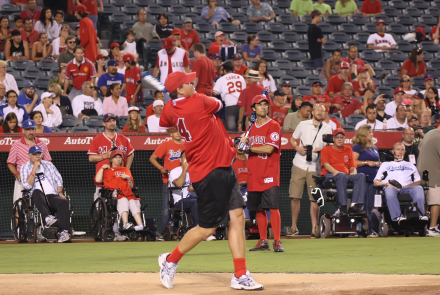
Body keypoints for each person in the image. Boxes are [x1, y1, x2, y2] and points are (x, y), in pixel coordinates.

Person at [157, 71, 263, 290]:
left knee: (237, 218)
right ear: (179, 89)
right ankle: (170, 260)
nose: (194, 82)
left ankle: (240, 274)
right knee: (208, 229)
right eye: (188, 82)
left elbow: (167, 123)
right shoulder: (199, 101)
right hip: (209, 171)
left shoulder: (169, 108)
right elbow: (219, 103)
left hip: (223, 166)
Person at [238, 94, 283, 252]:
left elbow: (269, 148)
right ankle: (263, 241)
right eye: (260, 104)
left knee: (272, 207)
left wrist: (248, 148)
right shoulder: (249, 129)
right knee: (258, 209)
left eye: (265, 104)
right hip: (253, 174)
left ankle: (277, 241)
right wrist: (240, 147)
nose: (264, 107)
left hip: (269, 173)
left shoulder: (274, 126)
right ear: (254, 108)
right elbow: (240, 155)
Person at [87, 113, 135, 241]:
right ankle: (102, 232)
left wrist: (127, 170)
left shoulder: (123, 139)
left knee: (118, 206)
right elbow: (91, 157)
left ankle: (116, 231)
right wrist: (105, 157)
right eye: (109, 121)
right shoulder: (97, 139)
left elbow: (130, 154)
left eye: (113, 120)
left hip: (119, 182)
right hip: (102, 181)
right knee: (100, 209)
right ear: (104, 124)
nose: (112, 123)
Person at [288, 104, 332, 237]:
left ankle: (314, 228)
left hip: (315, 167)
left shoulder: (328, 128)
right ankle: (293, 227)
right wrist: (297, 148)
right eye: (318, 110)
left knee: (314, 199)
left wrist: (323, 150)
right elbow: (292, 139)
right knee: (295, 197)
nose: (320, 112)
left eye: (323, 111)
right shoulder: (303, 124)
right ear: (312, 112)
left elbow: (330, 148)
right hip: (299, 164)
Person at [7, 119, 52, 242]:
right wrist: (17, 174)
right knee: (19, 207)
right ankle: (19, 233)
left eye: (32, 129)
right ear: (23, 130)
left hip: (39, 179)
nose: (31, 131)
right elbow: (10, 163)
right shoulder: (17, 144)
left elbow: (48, 161)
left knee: (40, 205)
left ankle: (39, 233)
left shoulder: (42, 144)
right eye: (28, 129)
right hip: (22, 179)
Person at [21, 145, 71, 243]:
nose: (37, 156)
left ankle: (64, 234)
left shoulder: (49, 165)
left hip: (52, 195)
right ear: (29, 156)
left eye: (39, 154)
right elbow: (27, 186)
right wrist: (34, 168)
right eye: (35, 154)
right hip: (37, 197)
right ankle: (48, 218)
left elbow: (58, 180)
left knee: (63, 202)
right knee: (36, 191)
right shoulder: (25, 167)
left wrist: (60, 192)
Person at [374, 142, 427, 222]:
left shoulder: (410, 165)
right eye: (398, 149)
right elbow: (376, 182)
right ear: (393, 152)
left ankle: (419, 215)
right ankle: (398, 217)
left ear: (405, 152)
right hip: (391, 187)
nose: (400, 151)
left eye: (402, 150)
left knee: (419, 188)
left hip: (408, 187)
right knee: (389, 190)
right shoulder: (385, 164)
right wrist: (387, 184)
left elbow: (418, 181)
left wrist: (408, 185)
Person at [320, 128, 366, 216]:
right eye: (337, 137)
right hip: (330, 176)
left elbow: (352, 166)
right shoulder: (326, 149)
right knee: (341, 175)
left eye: (341, 137)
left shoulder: (348, 149)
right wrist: (336, 172)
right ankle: (343, 207)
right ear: (333, 138)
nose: (339, 139)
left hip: (345, 176)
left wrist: (353, 171)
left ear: (344, 139)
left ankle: (355, 206)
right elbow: (326, 165)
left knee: (361, 176)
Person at [95, 149, 144, 232]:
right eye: (115, 157)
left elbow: (131, 186)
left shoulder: (126, 170)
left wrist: (128, 178)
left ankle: (140, 225)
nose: (118, 159)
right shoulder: (107, 170)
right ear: (111, 159)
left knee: (133, 202)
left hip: (128, 194)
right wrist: (102, 168)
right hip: (115, 195)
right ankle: (125, 224)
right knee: (123, 200)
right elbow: (98, 180)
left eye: (120, 157)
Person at [149, 131, 185, 240]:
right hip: (168, 181)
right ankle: (164, 232)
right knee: (166, 208)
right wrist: (161, 168)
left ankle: (178, 231)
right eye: (175, 131)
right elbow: (152, 158)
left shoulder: (186, 145)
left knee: (180, 207)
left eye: (179, 131)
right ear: (171, 134)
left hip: (183, 181)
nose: (177, 133)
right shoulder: (166, 144)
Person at [352, 125, 380, 238]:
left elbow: (377, 161)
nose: (372, 134)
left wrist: (378, 164)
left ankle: (369, 229)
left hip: (373, 181)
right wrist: (367, 162)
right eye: (369, 132)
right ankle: (362, 229)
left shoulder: (374, 148)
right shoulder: (357, 147)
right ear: (363, 133)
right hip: (362, 180)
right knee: (361, 206)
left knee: (369, 206)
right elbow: (353, 162)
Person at [417, 123, 440, 236]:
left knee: (425, 200)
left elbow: (419, 147)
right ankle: (432, 228)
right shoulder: (438, 136)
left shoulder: (429, 134)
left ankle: (421, 228)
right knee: (436, 201)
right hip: (434, 173)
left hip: (422, 171)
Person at [168, 155, 201, 231]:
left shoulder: (195, 171)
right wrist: (185, 169)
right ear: (180, 159)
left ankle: (210, 229)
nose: (188, 159)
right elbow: (179, 184)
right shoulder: (175, 171)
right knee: (195, 202)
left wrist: (195, 186)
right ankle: (197, 230)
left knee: (207, 200)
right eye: (185, 157)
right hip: (180, 200)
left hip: (193, 197)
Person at [213, 61, 246, 131]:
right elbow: (244, 91)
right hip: (242, 106)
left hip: (230, 106)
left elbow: (215, 93)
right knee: (240, 128)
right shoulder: (240, 77)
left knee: (231, 130)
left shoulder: (221, 79)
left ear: (224, 70)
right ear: (232, 69)